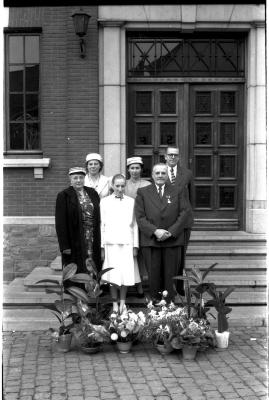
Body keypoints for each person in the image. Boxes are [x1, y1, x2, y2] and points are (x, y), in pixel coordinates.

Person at [135, 163, 189, 301]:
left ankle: (170, 305)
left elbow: (184, 213)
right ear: (152, 175)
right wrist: (155, 231)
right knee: (153, 276)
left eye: (163, 173)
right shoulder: (143, 192)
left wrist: (170, 232)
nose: (160, 175)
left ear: (167, 175)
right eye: (157, 173)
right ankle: (155, 304)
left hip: (172, 241)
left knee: (170, 275)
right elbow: (140, 217)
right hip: (151, 241)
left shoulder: (178, 190)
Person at [100, 174, 141, 313]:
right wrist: (102, 246)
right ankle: (114, 304)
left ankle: (123, 303)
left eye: (122, 186)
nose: (120, 188)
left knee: (125, 274)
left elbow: (134, 224)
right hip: (111, 244)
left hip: (127, 244)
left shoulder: (131, 201)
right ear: (112, 185)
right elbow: (102, 225)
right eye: (117, 185)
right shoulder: (104, 202)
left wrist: (135, 245)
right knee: (112, 275)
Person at [55, 167, 101, 287]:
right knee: (76, 266)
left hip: (92, 236)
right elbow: (60, 223)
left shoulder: (92, 192)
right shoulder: (64, 195)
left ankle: (92, 293)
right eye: (75, 178)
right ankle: (78, 298)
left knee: (92, 262)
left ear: (84, 178)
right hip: (74, 238)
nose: (78, 180)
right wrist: (64, 245)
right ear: (70, 179)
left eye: (81, 177)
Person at [125, 156, 151, 297]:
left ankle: (142, 283)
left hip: (143, 223)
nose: (135, 171)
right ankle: (130, 284)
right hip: (128, 224)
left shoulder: (147, 184)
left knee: (142, 255)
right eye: (132, 168)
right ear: (128, 169)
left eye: (137, 168)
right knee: (130, 255)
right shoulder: (123, 184)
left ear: (141, 169)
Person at [164, 146, 194, 262]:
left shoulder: (187, 173)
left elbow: (191, 196)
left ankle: (181, 272)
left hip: (184, 219)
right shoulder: (159, 172)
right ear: (165, 156)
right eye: (170, 154)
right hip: (165, 218)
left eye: (175, 155)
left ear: (178, 157)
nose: (173, 157)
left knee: (182, 251)